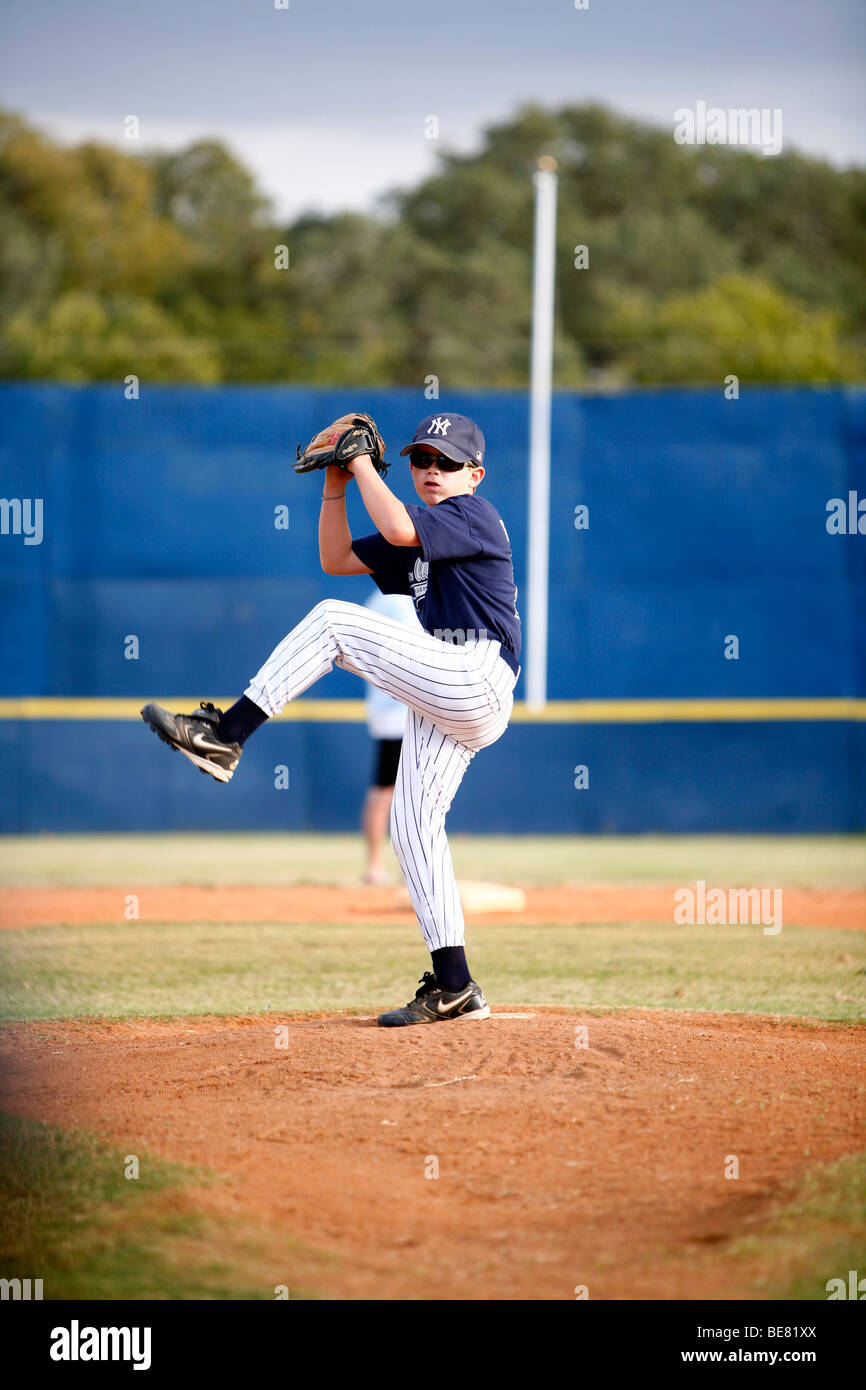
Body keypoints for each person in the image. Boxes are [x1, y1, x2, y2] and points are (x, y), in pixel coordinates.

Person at [141, 411, 521, 1027]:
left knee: (333, 622)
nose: (431, 470)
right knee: (413, 825)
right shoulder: (423, 536)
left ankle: (226, 735)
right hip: (448, 686)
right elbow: (337, 557)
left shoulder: (471, 515)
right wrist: (337, 482)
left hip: (475, 672)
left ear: (473, 475)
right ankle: (455, 985)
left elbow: (397, 526)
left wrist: (365, 464)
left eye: (446, 463)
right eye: (421, 459)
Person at [360, 589, 421, 886]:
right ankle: (377, 867)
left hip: (399, 709)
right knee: (390, 790)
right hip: (397, 710)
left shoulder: (387, 600)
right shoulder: (395, 601)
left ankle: (387, 867)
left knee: (394, 791)